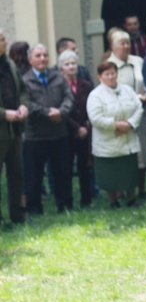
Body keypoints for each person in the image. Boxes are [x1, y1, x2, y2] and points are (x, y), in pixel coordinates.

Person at [22, 43, 74, 214]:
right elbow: (26, 104)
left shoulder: (58, 77)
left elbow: (69, 97)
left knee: (62, 173)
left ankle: (65, 205)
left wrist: (61, 111)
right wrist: (47, 113)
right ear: (30, 60)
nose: (42, 58)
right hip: (35, 136)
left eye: (45, 55)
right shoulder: (25, 80)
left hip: (59, 134)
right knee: (34, 175)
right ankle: (34, 207)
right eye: (38, 56)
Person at [87, 61, 143, 209]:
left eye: (113, 73)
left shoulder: (127, 90)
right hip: (108, 143)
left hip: (128, 138)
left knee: (129, 172)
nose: (111, 77)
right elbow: (96, 118)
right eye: (107, 74)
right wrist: (116, 125)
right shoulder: (95, 95)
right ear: (100, 77)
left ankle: (131, 199)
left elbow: (138, 108)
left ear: (117, 74)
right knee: (109, 174)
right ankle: (113, 201)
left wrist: (129, 124)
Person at [107, 30, 146, 199]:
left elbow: (145, 81)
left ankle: (142, 189)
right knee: (124, 154)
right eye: (122, 44)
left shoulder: (138, 61)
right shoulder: (109, 64)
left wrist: (145, 95)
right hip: (121, 118)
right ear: (113, 47)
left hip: (141, 113)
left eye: (127, 43)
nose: (126, 46)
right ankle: (122, 190)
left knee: (143, 152)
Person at [0, 28, 30, 224]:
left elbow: (23, 90)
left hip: (15, 131)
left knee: (17, 175)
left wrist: (23, 106)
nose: (6, 41)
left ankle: (18, 216)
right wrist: (4, 114)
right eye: (2, 39)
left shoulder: (9, 64)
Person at [58, 50, 93, 208]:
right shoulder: (58, 86)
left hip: (85, 132)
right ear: (61, 69)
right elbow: (62, 111)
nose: (71, 67)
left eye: (73, 63)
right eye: (67, 64)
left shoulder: (85, 84)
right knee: (65, 168)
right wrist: (76, 128)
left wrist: (85, 126)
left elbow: (91, 107)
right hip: (67, 132)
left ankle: (86, 200)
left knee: (84, 167)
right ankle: (67, 202)